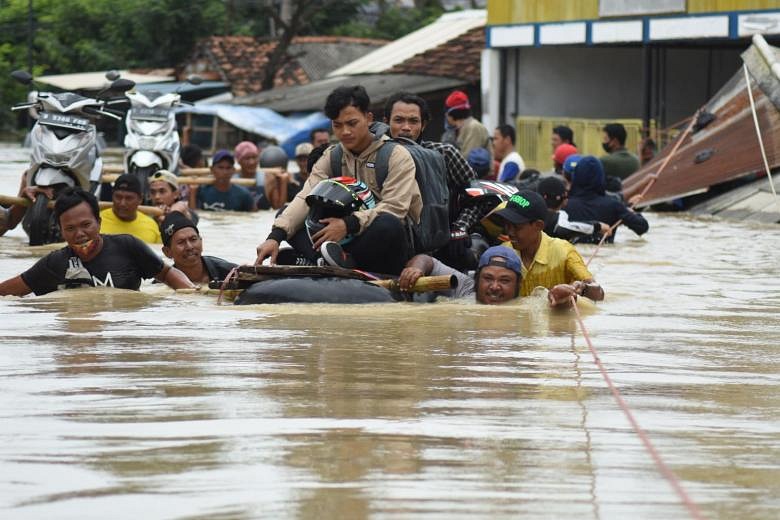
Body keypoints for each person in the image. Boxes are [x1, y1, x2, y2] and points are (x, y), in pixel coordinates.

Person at [255, 85, 421, 275]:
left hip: (382, 243)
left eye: (352, 123)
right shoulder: (332, 155)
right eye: (337, 125)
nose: (345, 132)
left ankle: (324, 260)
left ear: (368, 118)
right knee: (284, 214)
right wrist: (275, 237)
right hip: (341, 242)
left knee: (388, 224)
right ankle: (329, 259)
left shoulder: (397, 156)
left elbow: (395, 208)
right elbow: (305, 197)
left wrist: (347, 225)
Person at [0, 187, 193, 296]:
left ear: (99, 223)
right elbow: (7, 292)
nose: (80, 234)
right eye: (70, 229)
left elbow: (167, 274)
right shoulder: (55, 263)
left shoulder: (128, 246)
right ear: (61, 232)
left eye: (86, 225)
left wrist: (190, 294)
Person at [383, 91, 486, 268]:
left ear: (423, 125)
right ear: (386, 122)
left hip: (440, 247)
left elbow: (478, 196)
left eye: (413, 121)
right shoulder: (376, 158)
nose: (406, 127)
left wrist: (459, 228)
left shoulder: (444, 154)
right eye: (399, 120)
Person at [487, 190, 605, 307]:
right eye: (507, 225)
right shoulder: (502, 254)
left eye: (517, 227)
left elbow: (599, 294)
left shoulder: (563, 252)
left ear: (538, 226)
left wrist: (579, 288)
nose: (510, 232)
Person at [563, 156, 649, 243]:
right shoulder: (613, 206)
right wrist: (628, 210)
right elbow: (642, 227)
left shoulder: (564, 204)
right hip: (604, 253)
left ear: (576, 176)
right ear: (601, 177)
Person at [399, 245, 523, 304]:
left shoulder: (528, 309)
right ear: (477, 279)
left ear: (518, 285)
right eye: (488, 278)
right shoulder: (466, 288)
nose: (495, 287)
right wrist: (415, 269)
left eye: (504, 281)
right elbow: (426, 260)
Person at [159, 212, 237, 285]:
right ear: (167, 252)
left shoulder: (230, 273)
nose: (189, 247)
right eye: (181, 242)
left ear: (201, 241)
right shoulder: (161, 285)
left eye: (193, 239)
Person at [536, 176, 610, 242]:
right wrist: (598, 226)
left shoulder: (526, 203)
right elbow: (563, 227)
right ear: (564, 201)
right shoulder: (557, 218)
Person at [100, 174, 162, 243]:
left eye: (129, 198)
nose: (122, 203)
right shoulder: (97, 221)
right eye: (118, 197)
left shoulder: (151, 225)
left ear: (140, 199)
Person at [443, 90, 491, 160]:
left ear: (451, 113)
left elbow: (467, 161)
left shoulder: (474, 128)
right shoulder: (459, 130)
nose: (445, 116)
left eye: (446, 112)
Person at [234, 141, 271, 210]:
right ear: (238, 161)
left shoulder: (267, 178)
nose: (252, 162)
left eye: (254, 157)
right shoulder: (231, 180)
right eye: (247, 158)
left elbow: (276, 207)